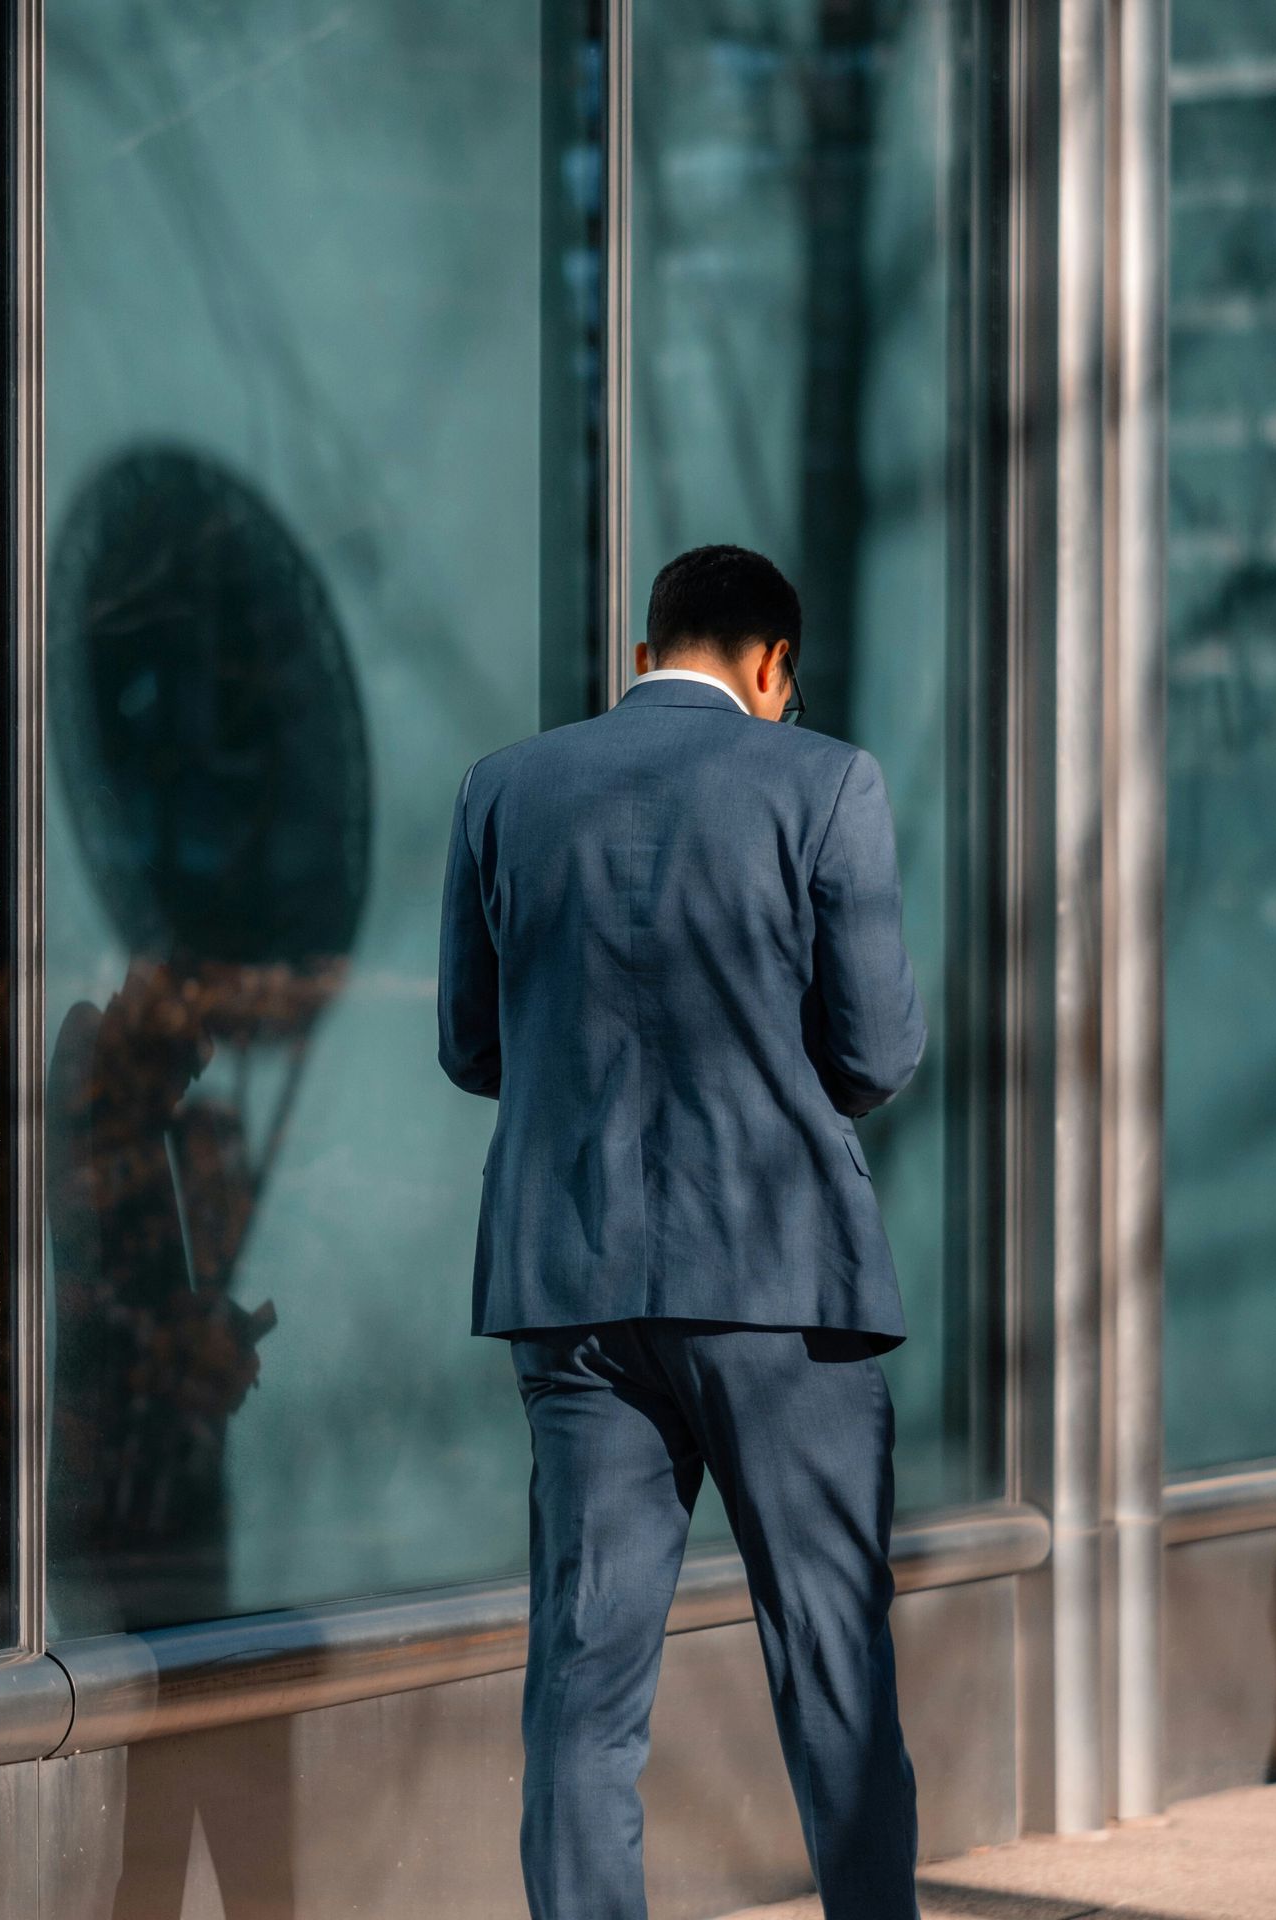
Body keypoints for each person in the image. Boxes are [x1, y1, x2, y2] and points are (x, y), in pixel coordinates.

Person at [437, 544, 927, 1920]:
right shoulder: (828, 780)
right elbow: (879, 1049)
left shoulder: (504, 787)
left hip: (572, 1283)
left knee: (583, 1686)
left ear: (648, 656)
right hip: (782, 1279)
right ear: (772, 667)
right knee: (832, 1663)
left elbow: (474, 1047)